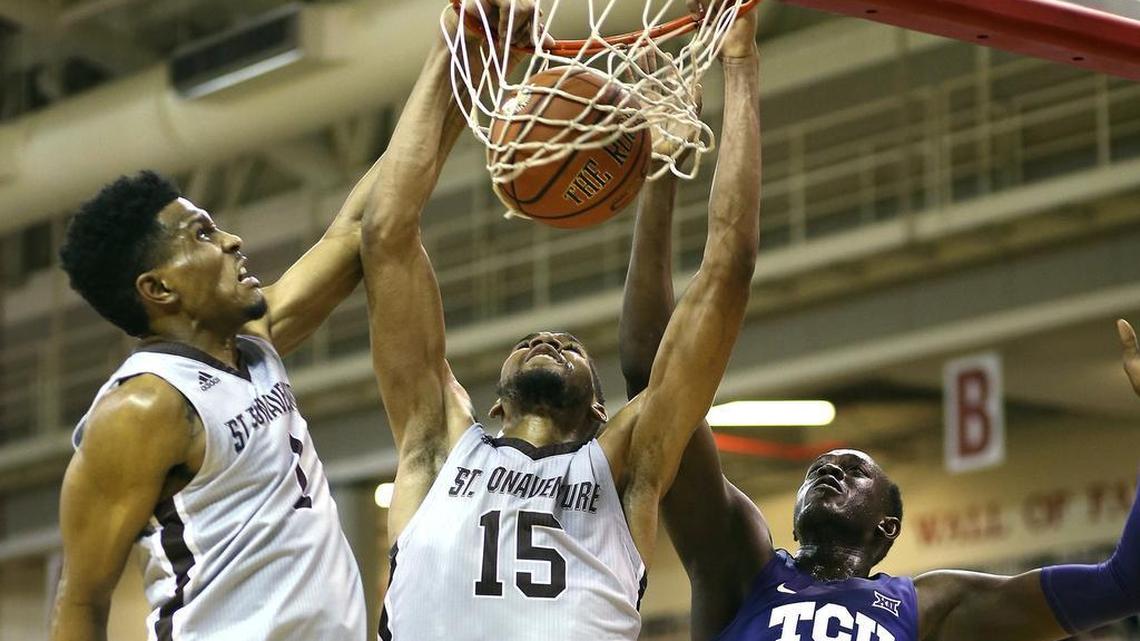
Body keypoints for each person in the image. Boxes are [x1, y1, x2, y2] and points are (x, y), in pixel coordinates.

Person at [619, 101, 1140, 641]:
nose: (830, 469)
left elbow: (1123, 584)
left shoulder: (934, 608)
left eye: (856, 471)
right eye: (821, 465)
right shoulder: (743, 567)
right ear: (794, 517)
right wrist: (660, 169)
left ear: (887, 527)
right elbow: (652, 377)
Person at [358, 0, 762, 638]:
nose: (548, 338)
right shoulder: (438, 444)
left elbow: (728, 270)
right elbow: (385, 233)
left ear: (604, 412)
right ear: (493, 406)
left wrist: (738, 65)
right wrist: (462, 54)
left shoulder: (626, 469)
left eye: (572, 349)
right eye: (535, 342)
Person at [50, 157, 383, 640]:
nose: (232, 241)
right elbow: (80, 600)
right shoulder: (142, 406)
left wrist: (455, 86)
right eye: (202, 234)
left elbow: (357, 227)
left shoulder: (254, 344)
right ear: (159, 287)